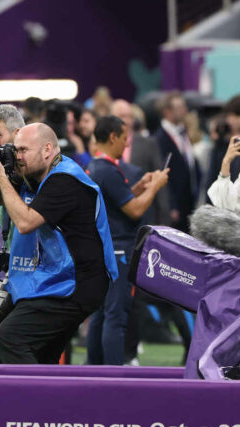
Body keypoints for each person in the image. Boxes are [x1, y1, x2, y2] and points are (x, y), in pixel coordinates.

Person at [0, 123, 118, 364]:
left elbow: (25, 222)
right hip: (58, 277)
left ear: (47, 150)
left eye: (23, 150)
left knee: (10, 337)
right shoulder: (34, 173)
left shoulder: (65, 179)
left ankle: (34, 400)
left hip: (79, 283)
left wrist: (1, 177)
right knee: (40, 352)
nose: (17, 157)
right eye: (15, 150)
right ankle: (45, 397)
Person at [85, 116, 169, 365]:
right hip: (119, 250)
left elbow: (118, 201)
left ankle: (94, 367)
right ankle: (111, 374)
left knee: (102, 313)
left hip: (105, 247)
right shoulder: (109, 170)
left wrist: (141, 186)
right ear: (112, 137)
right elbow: (133, 210)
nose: (126, 143)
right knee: (116, 316)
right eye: (124, 138)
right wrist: (155, 187)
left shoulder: (97, 167)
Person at [153, 92, 200, 232]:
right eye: (179, 107)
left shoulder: (183, 133)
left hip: (189, 202)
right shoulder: (159, 139)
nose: (184, 111)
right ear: (167, 111)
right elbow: (161, 173)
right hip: (175, 207)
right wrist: (171, 205)